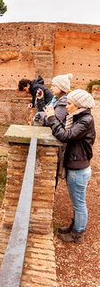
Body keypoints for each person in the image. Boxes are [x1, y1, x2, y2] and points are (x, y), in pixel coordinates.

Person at [45, 89, 95, 243]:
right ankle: (74, 226)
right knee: (76, 201)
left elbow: (65, 136)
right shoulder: (78, 118)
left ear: (79, 105)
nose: (66, 106)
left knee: (79, 203)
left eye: (69, 103)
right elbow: (66, 131)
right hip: (77, 165)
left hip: (78, 169)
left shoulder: (85, 121)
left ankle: (77, 234)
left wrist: (52, 118)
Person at [45, 73, 72, 188]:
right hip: (56, 135)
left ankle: (52, 191)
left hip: (58, 139)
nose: (51, 88)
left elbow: (53, 120)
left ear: (61, 88)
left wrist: (44, 116)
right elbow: (46, 111)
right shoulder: (56, 99)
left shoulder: (63, 102)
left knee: (54, 170)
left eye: (54, 86)